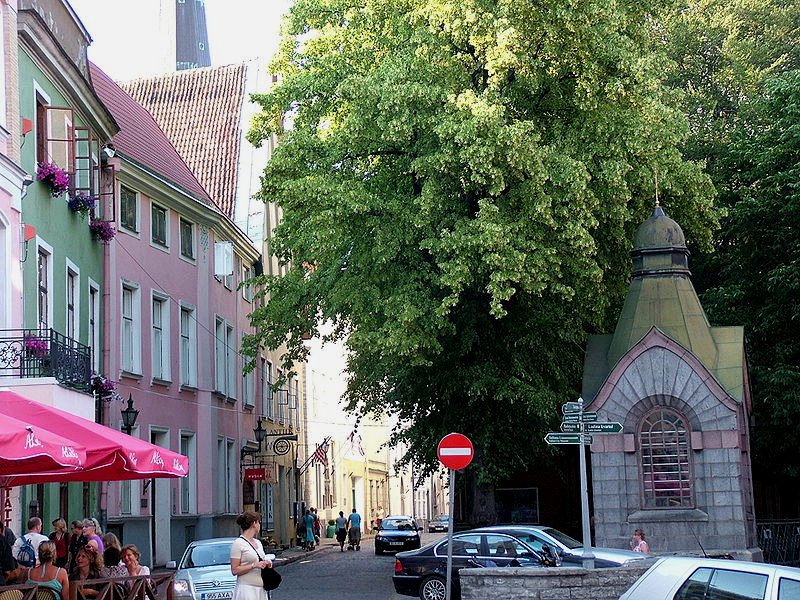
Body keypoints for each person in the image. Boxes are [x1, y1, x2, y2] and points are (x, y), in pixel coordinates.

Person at [230, 511, 273, 600]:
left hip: (261, 589)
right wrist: (254, 565)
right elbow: (234, 570)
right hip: (247, 589)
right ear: (254, 523)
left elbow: (261, 561)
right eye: (259, 522)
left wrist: (267, 564)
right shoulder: (238, 543)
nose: (259, 525)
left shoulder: (258, 543)